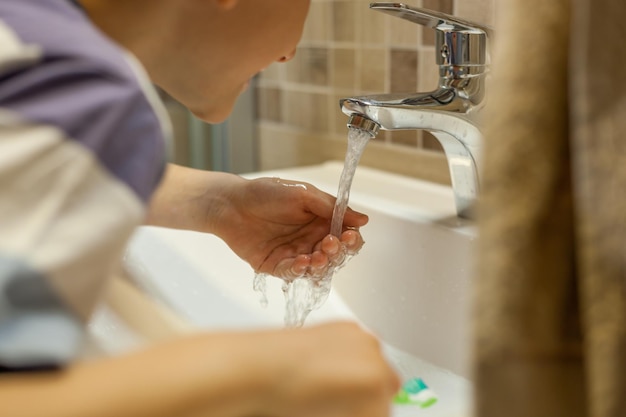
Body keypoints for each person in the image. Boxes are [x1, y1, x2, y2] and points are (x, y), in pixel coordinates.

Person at [0, 0, 400, 416]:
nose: (290, 52)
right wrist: (265, 376)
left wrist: (219, 205)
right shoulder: (76, 86)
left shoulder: (25, 42)